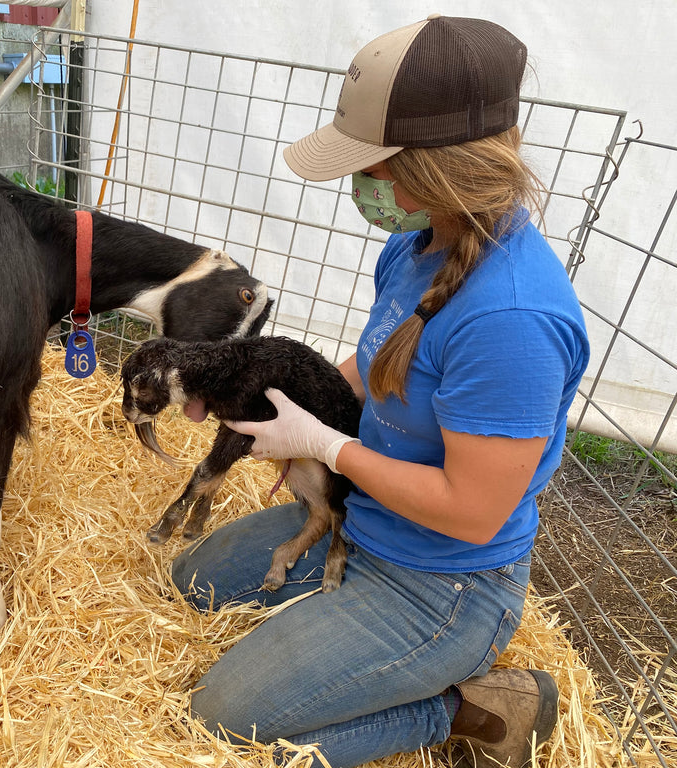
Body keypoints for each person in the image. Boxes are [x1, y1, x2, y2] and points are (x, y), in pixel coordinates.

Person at [168, 14, 590, 768]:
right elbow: (373, 365)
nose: (360, 187)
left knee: (224, 723)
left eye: (372, 166)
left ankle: (471, 708)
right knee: (193, 581)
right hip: (362, 518)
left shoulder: (512, 319)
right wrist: (279, 412)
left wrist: (329, 446)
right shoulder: (416, 242)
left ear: (436, 168)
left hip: (441, 583)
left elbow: (472, 510)